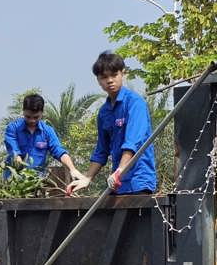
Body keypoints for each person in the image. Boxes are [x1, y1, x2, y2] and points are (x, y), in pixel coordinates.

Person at [66, 51, 156, 196]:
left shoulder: (135, 103)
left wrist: (120, 171)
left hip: (138, 181)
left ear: (123, 74)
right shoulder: (104, 112)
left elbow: (132, 142)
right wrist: (87, 178)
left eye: (114, 75)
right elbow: (101, 151)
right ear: (98, 80)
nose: (109, 80)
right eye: (104, 77)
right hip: (117, 184)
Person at [4, 93, 89, 188]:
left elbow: (59, 152)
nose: (32, 120)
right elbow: (15, 154)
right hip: (14, 182)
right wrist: (20, 168)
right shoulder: (13, 128)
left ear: (42, 113)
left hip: (37, 183)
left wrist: (73, 169)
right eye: (28, 117)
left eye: (36, 117)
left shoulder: (48, 131)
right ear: (23, 111)